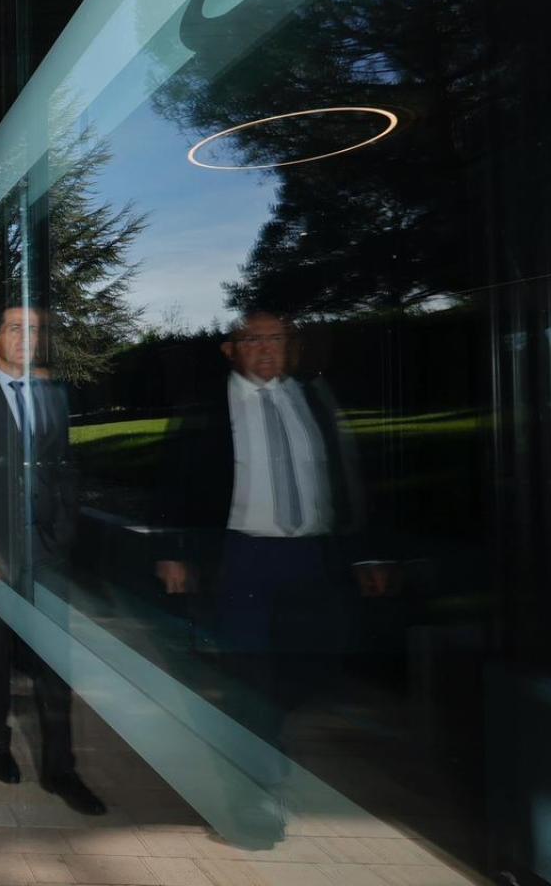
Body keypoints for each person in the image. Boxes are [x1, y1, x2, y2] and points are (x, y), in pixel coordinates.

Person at [152, 311, 367, 847]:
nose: (268, 349)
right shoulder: (206, 409)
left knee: (312, 667)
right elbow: (172, 483)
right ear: (232, 349)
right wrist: (173, 551)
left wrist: (366, 553)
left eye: (278, 339)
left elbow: (346, 475)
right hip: (241, 558)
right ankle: (253, 799)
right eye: (256, 340)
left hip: (312, 558)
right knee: (248, 682)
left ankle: (266, 744)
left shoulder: (316, 400)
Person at [0, 305, 105, 816]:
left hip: (48, 550)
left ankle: (61, 769)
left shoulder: (53, 396)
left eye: (34, 330)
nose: (26, 337)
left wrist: (65, 529)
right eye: (15, 328)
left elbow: (64, 470)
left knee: (57, 661)